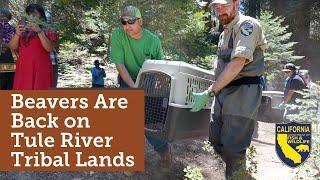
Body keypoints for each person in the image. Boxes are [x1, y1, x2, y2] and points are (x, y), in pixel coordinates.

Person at [191, 0, 267, 178]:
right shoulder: (225, 32)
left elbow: (237, 63)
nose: (220, 11)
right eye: (216, 7)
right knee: (216, 141)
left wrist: (210, 91)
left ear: (236, 3)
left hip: (243, 92)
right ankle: (243, 175)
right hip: (223, 92)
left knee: (234, 148)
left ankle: (237, 175)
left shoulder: (247, 25)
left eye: (224, 6)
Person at [110, 5, 170, 177]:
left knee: (149, 123)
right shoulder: (118, 35)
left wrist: (154, 90)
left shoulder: (153, 40)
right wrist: (133, 87)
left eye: (131, 21)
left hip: (150, 82)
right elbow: (119, 64)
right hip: (127, 80)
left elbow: (161, 68)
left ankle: (164, 151)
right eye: (123, 22)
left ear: (140, 21)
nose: (127, 26)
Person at [8, 3, 58, 90]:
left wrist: (39, 31)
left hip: (41, 67)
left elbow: (49, 48)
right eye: (29, 14)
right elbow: (12, 47)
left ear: (41, 15)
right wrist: (17, 34)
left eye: (34, 13)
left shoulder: (48, 30)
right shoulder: (21, 28)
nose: (31, 16)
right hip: (24, 67)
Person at [0, 8, 15, 90]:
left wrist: (3, 43)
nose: (2, 18)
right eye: (0, 16)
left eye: (4, 16)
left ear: (9, 18)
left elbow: (10, 42)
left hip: (8, 56)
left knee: (8, 79)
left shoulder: (12, 28)